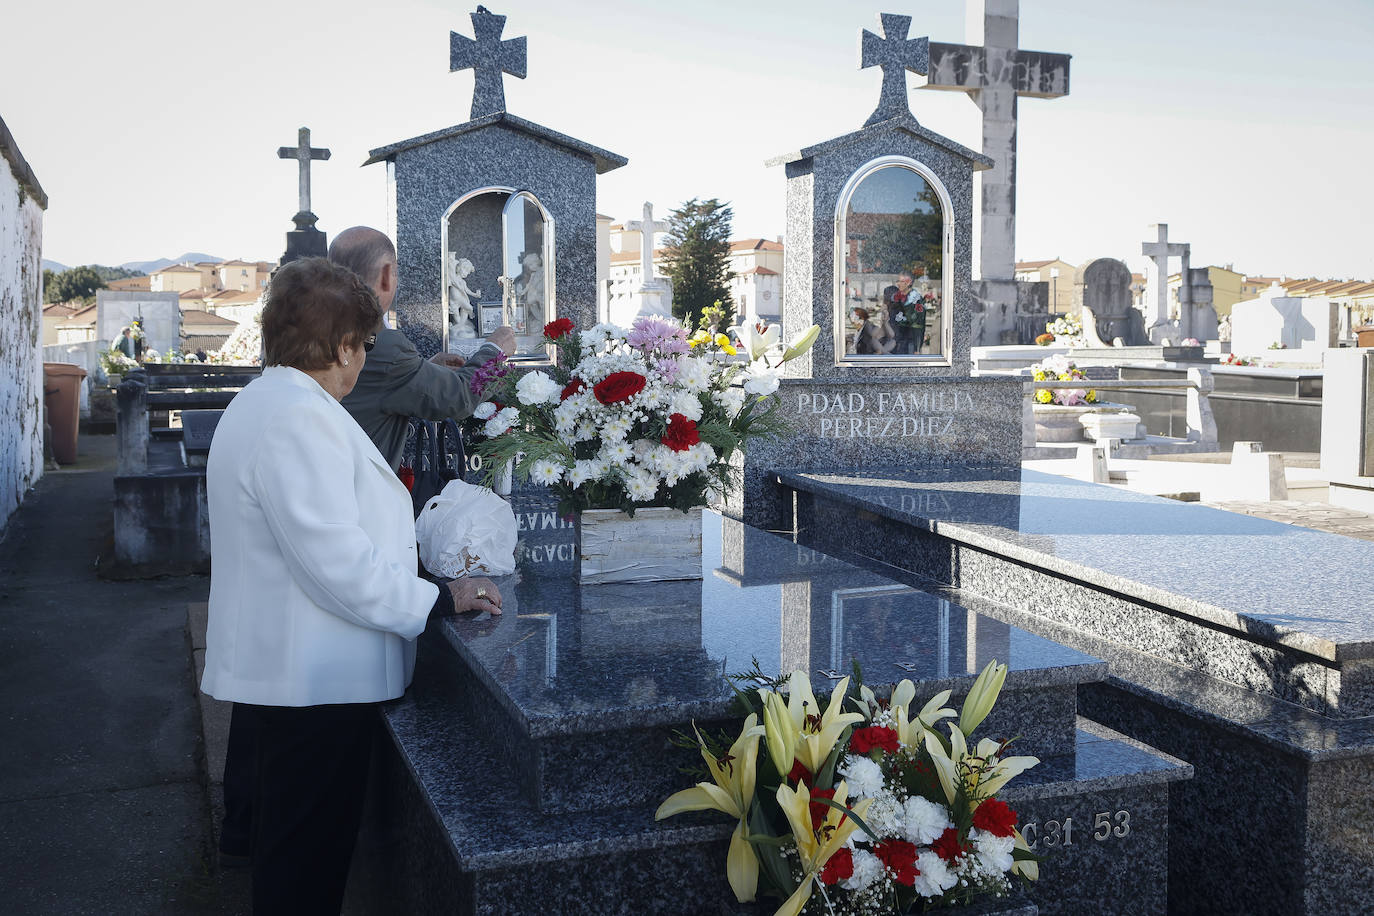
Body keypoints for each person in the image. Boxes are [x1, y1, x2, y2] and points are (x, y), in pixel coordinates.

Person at [202, 257, 503, 914]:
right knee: (306, 862)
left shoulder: (276, 400)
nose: (365, 359)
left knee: (300, 850)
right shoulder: (296, 419)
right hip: (314, 681)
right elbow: (335, 560)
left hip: (303, 672)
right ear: (340, 346)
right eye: (363, 346)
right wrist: (439, 598)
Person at [329, 226, 516, 471]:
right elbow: (458, 398)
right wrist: (494, 350)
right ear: (386, 275)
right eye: (395, 272)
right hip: (362, 494)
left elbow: (375, 384)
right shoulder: (382, 345)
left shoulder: (321, 333)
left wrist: (423, 369)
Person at [883, 271, 923, 355]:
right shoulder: (898, 303)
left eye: (901, 281)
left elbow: (918, 326)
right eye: (898, 281)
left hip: (905, 345)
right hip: (899, 344)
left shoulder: (914, 301)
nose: (898, 284)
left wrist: (917, 348)